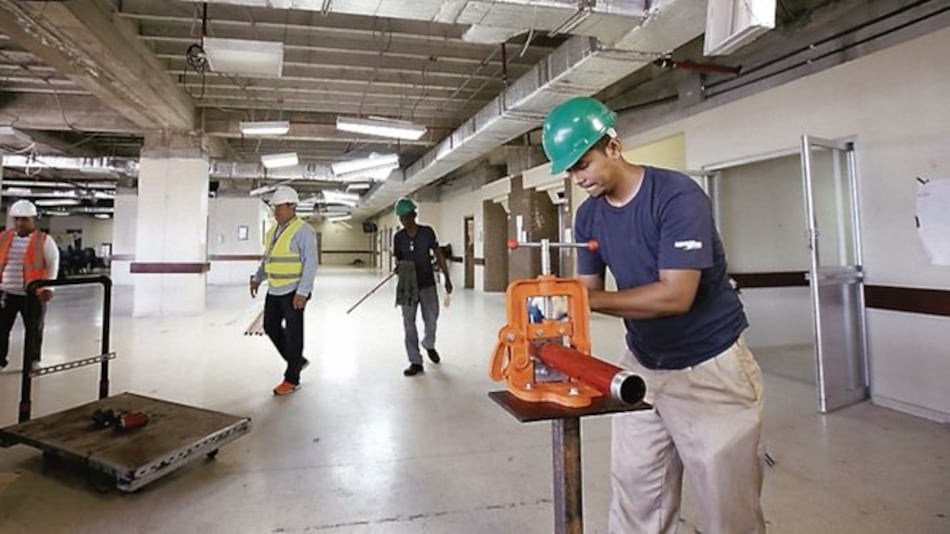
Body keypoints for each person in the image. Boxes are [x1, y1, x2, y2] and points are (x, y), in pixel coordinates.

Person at [542, 96, 765, 534]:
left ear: (613, 146)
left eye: (583, 164)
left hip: (710, 367)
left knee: (729, 511)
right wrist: (555, 311)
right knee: (636, 497)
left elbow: (675, 296)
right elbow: (586, 294)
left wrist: (578, 299)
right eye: (569, 171)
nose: (578, 178)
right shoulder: (588, 217)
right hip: (642, 365)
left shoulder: (676, 196)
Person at [250, 186, 318, 396]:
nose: (276, 212)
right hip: (275, 289)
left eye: (279, 207)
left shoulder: (304, 231)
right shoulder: (273, 231)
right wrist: (258, 277)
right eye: (274, 208)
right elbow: (268, 258)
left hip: (294, 291)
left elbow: (311, 262)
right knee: (270, 326)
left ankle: (292, 379)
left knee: (294, 334)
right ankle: (296, 360)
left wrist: (303, 292)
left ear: (292, 207)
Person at [392, 198, 452, 376]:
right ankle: (415, 361)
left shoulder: (427, 232)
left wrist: (446, 278)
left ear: (414, 215)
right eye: (402, 218)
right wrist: (398, 268)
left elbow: (438, 254)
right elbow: (398, 259)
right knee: (408, 323)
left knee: (432, 318)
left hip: (427, 283)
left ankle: (428, 343)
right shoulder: (398, 237)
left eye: (407, 216)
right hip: (407, 285)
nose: (405, 221)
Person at [0, 200, 60, 370]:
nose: (20, 223)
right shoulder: (3, 238)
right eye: (16, 219)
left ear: (34, 219)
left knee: (34, 330)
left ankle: (33, 360)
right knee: (1, 329)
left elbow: (53, 264)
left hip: (33, 294)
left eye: (24, 219)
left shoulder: (44, 240)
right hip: (6, 293)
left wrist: (49, 288)